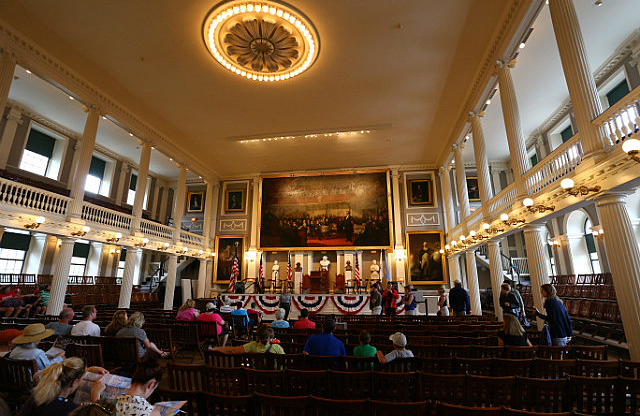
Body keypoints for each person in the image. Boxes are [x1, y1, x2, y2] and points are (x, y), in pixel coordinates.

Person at [17, 357, 94, 416]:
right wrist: (95, 395)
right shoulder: (71, 410)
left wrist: (90, 369)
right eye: (81, 380)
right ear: (74, 383)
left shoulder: (36, 397)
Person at [213, 324, 285, 354]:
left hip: (256, 376)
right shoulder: (277, 347)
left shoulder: (252, 345)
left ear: (258, 336)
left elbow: (233, 350)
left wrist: (217, 348)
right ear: (271, 337)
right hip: (275, 378)